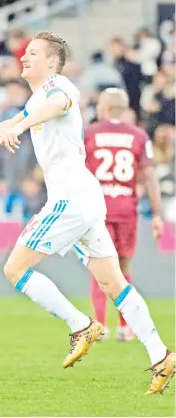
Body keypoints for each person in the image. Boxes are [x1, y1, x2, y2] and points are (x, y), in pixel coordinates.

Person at [0, 31, 175, 394]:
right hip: (85, 199)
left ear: (51, 61)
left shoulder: (60, 87)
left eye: (32, 53)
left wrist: (21, 125)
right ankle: (161, 355)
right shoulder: (37, 100)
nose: (23, 58)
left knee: (15, 268)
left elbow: (53, 105)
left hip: (69, 200)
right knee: (113, 282)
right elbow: (15, 121)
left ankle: (81, 324)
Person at [84, 88, 163, 341]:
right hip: (126, 211)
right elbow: (149, 175)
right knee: (123, 268)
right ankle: (124, 326)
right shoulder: (138, 135)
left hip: (97, 210)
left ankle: (100, 324)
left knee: (99, 268)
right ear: (124, 108)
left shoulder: (90, 134)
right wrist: (158, 214)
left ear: (105, 107)